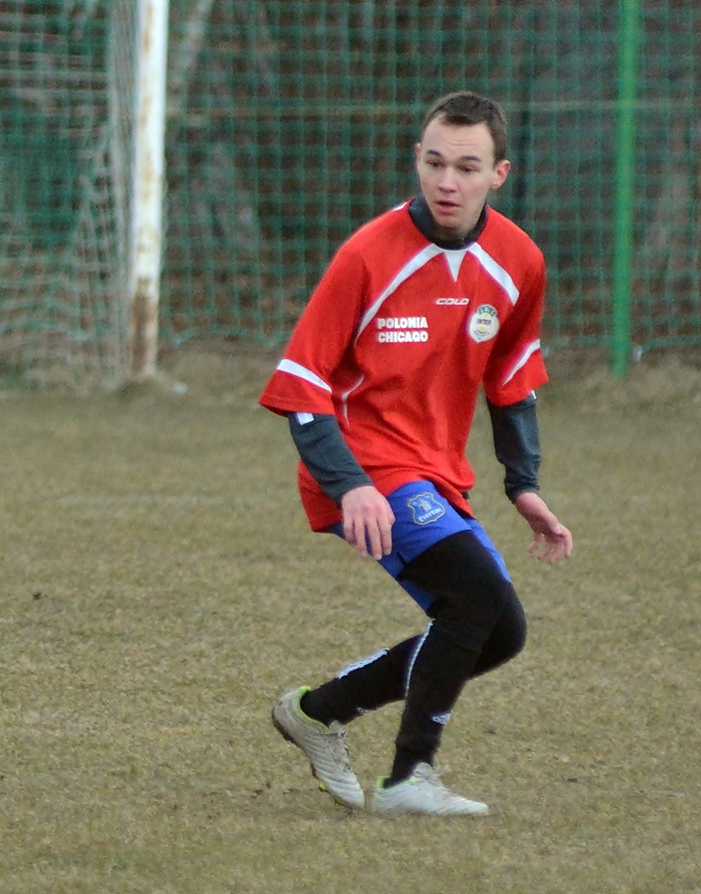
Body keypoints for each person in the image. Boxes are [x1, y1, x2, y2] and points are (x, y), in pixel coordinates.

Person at [259, 91, 573, 817]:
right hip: (363, 467)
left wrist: (523, 484)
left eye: (467, 166)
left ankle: (319, 711)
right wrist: (350, 485)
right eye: (434, 162)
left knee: (500, 632)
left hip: (434, 472)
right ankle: (409, 778)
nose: (447, 181)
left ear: (499, 174)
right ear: (418, 162)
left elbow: (512, 379)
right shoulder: (368, 255)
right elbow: (302, 386)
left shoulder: (520, 261)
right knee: (476, 598)